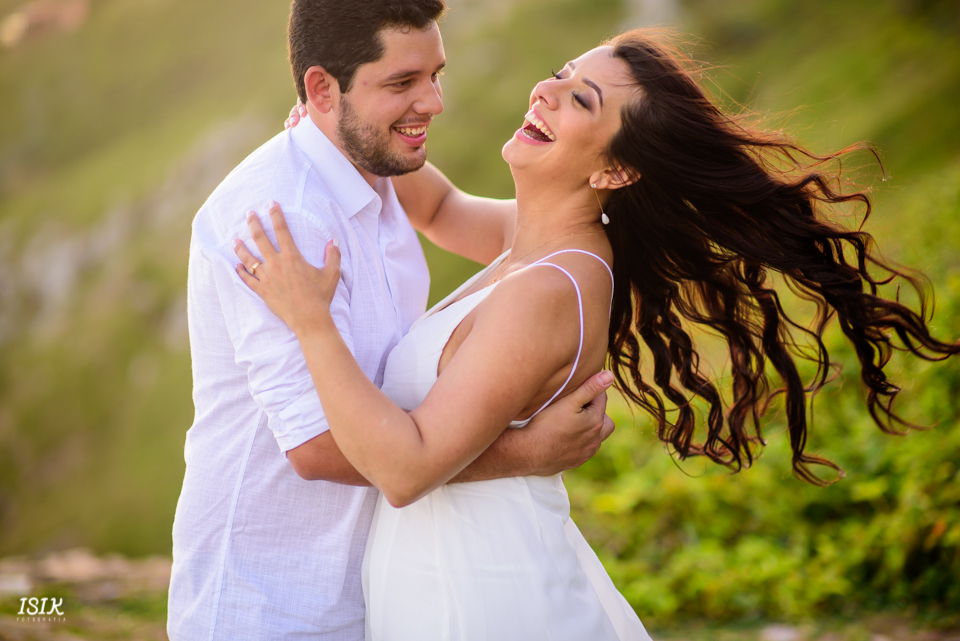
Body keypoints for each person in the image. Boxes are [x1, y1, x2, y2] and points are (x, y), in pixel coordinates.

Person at [236, 27, 960, 641]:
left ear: (615, 168)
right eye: (561, 75)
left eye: (580, 99)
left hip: (476, 596)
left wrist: (310, 322)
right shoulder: (545, 241)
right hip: (451, 574)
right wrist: (339, 115)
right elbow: (439, 206)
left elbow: (405, 468)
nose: (545, 92)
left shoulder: (553, 289)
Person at [167, 2, 618, 639]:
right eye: (402, 83)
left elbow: (446, 206)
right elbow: (318, 447)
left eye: (435, 74)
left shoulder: (381, 168)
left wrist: (343, 131)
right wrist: (525, 453)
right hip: (278, 602)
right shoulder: (283, 226)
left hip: (391, 587)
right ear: (322, 89)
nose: (433, 103)